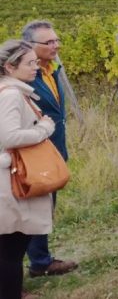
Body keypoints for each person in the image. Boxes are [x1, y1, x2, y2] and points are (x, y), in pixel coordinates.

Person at [20, 20, 78, 277]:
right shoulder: (24, 77)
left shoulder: (51, 69)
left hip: (53, 148)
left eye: (57, 40)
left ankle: (40, 260)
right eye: (49, 42)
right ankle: (35, 263)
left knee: (45, 206)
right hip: (34, 153)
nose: (56, 45)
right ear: (30, 45)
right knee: (32, 209)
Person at [0, 40, 56, 299]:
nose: (36, 67)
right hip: (11, 183)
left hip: (9, 178)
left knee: (9, 249)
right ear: (10, 67)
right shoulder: (11, 95)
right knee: (11, 251)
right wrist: (44, 128)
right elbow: (9, 136)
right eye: (30, 63)